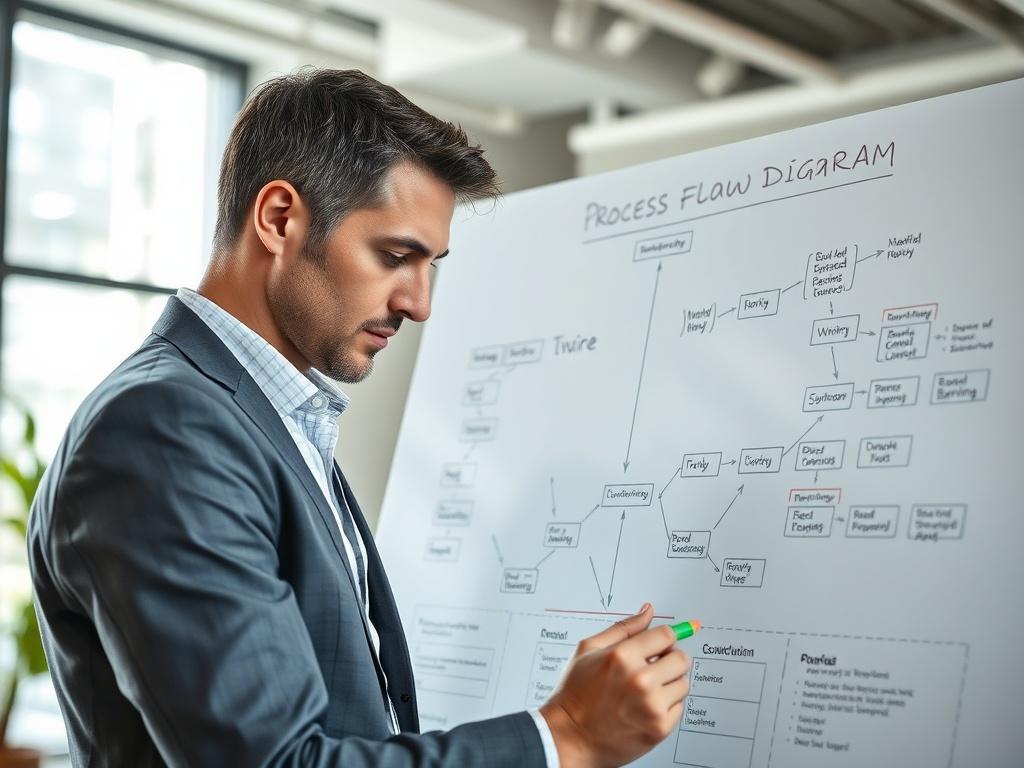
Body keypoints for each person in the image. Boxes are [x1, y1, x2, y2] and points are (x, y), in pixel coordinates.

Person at [27, 68, 690, 767]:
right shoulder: (165, 428)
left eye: (432, 264)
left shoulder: (266, 418)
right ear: (280, 218)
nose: (420, 303)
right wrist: (567, 736)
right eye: (395, 256)